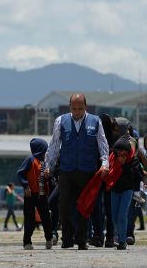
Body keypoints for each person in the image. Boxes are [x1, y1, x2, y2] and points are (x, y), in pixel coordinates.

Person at [44, 94, 109, 250]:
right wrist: (48, 165)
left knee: (84, 207)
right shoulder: (61, 121)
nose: (77, 111)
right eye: (74, 108)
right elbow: (54, 145)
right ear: (69, 107)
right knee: (64, 206)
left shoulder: (95, 121)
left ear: (85, 107)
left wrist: (105, 163)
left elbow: (102, 143)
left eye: (80, 108)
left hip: (87, 171)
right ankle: (67, 238)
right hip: (67, 171)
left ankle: (81, 240)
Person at [17, 138, 53, 250]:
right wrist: (26, 186)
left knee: (46, 218)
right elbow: (20, 173)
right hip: (30, 195)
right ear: (40, 149)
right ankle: (27, 242)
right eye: (45, 149)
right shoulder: (30, 159)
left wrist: (48, 176)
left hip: (42, 195)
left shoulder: (44, 161)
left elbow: (46, 178)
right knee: (29, 219)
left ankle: (49, 239)